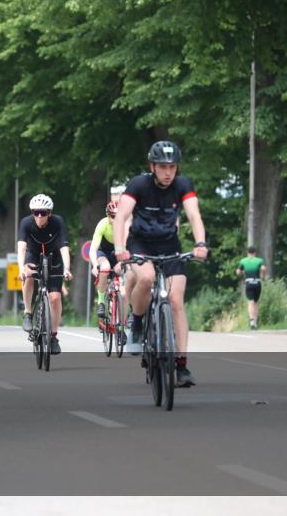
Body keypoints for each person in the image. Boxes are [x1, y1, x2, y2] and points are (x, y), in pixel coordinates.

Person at [114, 140, 208, 388]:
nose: (169, 172)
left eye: (173, 167)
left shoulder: (183, 185)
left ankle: (182, 366)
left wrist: (200, 243)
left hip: (169, 245)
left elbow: (194, 214)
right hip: (140, 244)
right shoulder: (139, 184)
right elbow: (122, 215)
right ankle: (136, 323)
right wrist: (119, 249)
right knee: (145, 279)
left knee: (176, 300)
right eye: (163, 167)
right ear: (152, 166)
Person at [17, 194, 72, 355]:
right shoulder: (26, 223)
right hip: (33, 255)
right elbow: (21, 247)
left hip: (54, 257)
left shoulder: (58, 222)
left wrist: (67, 268)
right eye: (36, 212)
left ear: (49, 213)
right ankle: (27, 312)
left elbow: (64, 247)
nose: (39, 216)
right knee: (28, 275)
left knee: (55, 298)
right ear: (32, 213)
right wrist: (21, 268)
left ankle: (54, 336)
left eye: (43, 212)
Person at [90, 195, 125, 319]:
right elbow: (93, 248)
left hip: (118, 253)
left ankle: (129, 312)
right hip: (103, 252)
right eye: (112, 216)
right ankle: (101, 302)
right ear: (108, 215)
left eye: (118, 216)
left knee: (125, 279)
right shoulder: (103, 224)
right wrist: (95, 265)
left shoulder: (125, 225)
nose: (115, 219)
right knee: (105, 267)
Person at [236, 246, 267, 330]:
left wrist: (242, 274)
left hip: (249, 282)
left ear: (248, 253)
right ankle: (255, 323)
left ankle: (252, 322)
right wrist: (263, 277)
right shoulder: (259, 260)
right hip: (257, 283)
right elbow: (263, 268)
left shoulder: (243, 261)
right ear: (255, 253)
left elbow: (238, 272)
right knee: (256, 303)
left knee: (250, 302)